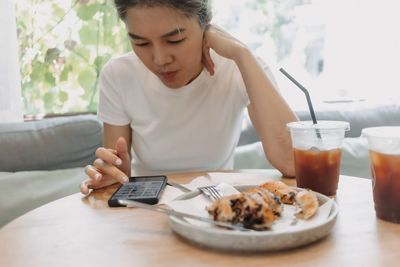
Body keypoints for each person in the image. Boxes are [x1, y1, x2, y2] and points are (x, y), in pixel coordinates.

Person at [80, 0, 298, 195]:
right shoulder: (119, 74)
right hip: (148, 208)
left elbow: (292, 163)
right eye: (141, 43)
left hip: (215, 206)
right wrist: (112, 175)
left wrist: (242, 54)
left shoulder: (237, 67)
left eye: (175, 40)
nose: (160, 59)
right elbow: (117, 169)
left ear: (205, 27)